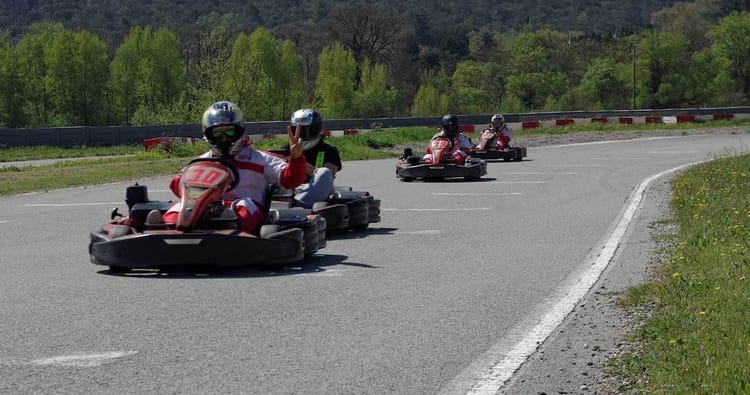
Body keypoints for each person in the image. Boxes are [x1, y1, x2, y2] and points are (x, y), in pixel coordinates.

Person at [153, 101, 307, 234]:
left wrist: (297, 158)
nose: (225, 138)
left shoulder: (259, 159)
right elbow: (176, 184)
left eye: (230, 132)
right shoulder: (201, 161)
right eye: (218, 134)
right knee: (180, 207)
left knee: (243, 205)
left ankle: (232, 233)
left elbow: (291, 179)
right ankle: (166, 229)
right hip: (204, 209)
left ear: (239, 131)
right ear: (209, 136)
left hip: (245, 212)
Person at [278, 108, 342, 208]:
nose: (300, 136)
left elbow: (327, 178)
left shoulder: (329, 151)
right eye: (297, 131)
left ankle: (300, 206)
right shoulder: (286, 149)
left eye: (305, 132)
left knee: (324, 172)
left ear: (316, 130)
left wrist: (297, 159)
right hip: (289, 191)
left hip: (313, 192)